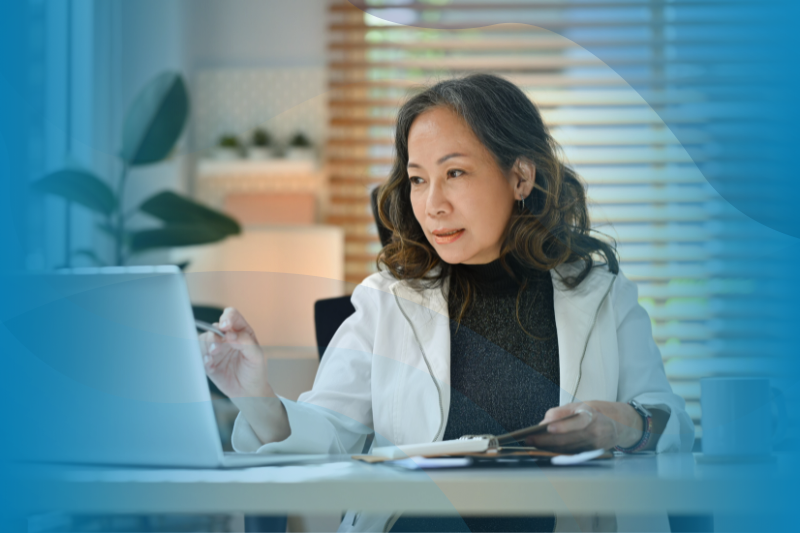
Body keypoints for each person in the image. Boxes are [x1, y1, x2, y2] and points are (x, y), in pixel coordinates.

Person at [199, 74, 695, 533]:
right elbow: (328, 437)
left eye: (454, 172)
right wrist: (255, 396)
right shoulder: (386, 301)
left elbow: (669, 421)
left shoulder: (602, 293)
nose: (432, 203)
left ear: (520, 177)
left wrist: (622, 424)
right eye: (417, 179)